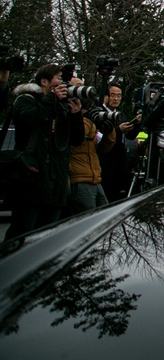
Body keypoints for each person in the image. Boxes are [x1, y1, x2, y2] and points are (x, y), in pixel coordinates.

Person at [5, 64, 83, 240]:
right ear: (44, 81)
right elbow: (29, 119)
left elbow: (76, 140)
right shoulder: (26, 99)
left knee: (46, 239)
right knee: (22, 236)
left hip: (56, 183)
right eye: (59, 78)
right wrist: (51, 99)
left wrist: (76, 114)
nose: (63, 83)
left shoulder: (61, 105)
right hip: (32, 180)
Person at [68, 95, 117, 215]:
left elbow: (104, 148)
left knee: (105, 216)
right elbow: (77, 139)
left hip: (95, 178)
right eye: (90, 108)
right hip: (79, 179)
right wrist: (86, 120)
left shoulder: (89, 124)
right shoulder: (76, 122)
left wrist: (109, 130)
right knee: (87, 219)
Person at [98, 84, 139, 203]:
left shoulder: (120, 115)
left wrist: (137, 124)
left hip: (119, 163)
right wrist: (117, 130)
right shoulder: (100, 114)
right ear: (106, 97)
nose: (116, 99)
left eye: (118, 96)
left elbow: (130, 136)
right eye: (113, 95)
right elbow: (100, 138)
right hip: (105, 163)